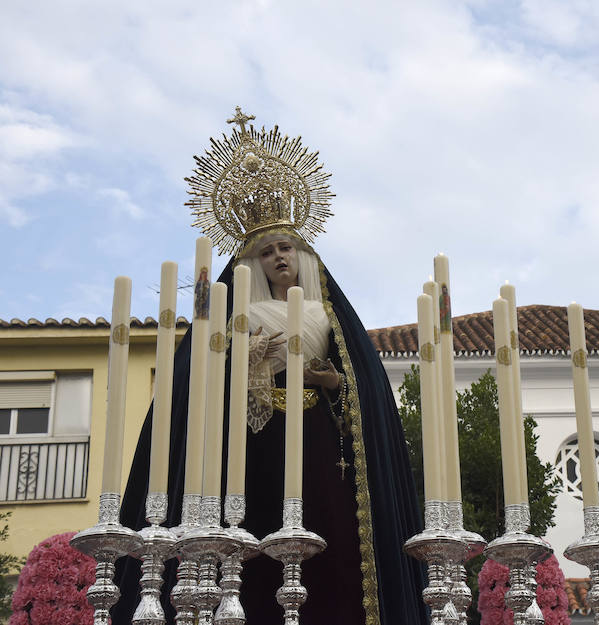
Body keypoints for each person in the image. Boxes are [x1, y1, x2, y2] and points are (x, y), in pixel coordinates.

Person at [112, 111, 427, 624]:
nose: (279, 256)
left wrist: (331, 380)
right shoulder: (233, 311)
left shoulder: (329, 314)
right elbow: (194, 379)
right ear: (252, 263)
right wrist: (247, 362)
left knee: (333, 536)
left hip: (319, 438)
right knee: (250, 539)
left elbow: (361, 384)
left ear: (302, 256)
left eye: (286, 247)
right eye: (266, 251)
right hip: (252, 445)